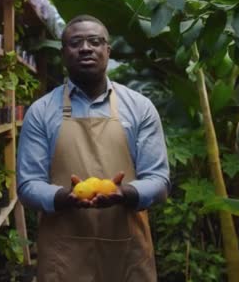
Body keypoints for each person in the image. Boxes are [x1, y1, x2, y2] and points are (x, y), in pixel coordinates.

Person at [16, 14, 170, 282]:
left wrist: (127, 193)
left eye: (95, 41)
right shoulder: (41, 112)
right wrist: (63, 197)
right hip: (64, 258)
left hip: (127, 254)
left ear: (107, 51)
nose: (86, 48)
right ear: (64, 53)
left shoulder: (140, 108)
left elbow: (159, 180)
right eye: (75, 42)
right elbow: (28, 184)